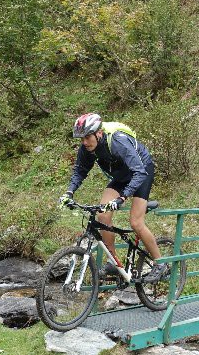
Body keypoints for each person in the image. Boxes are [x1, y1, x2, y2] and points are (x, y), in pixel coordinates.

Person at [59, 113, 165, 281]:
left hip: (141, 171)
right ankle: (114, 263)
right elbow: (80, 171)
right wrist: (69, 192)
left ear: (98, 133)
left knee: (136, 222)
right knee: (102, 216)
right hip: (121, 176)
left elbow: (138, 172)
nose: (84, 142)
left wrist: (122, 197)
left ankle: (161, 264)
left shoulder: (118, 141)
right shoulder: (87, 148)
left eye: (87, 137)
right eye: (81, 139)